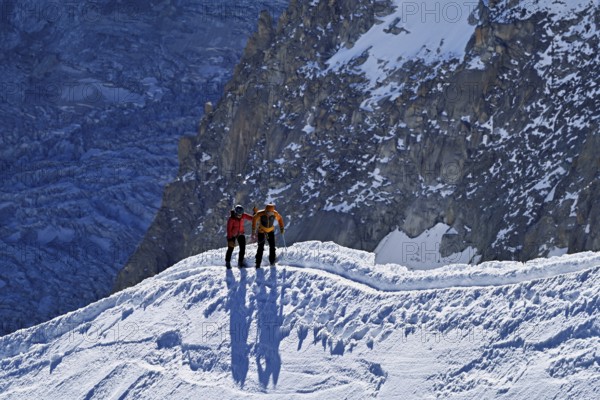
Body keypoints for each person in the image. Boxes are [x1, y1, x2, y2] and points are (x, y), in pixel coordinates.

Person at [252, 203, 284, 268]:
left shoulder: (275, 213)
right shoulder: (261, 213)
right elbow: (254, 218)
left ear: (272, 211)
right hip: (262, 231)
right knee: (261, 247)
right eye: (267, 212)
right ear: (266, 210)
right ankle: (258, 263)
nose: (269, 214)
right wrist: (253, 229)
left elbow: (280, 218)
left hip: (270, 232)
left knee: (272, 246)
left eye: (270, 213)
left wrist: (281, 227)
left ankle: (272, 262)